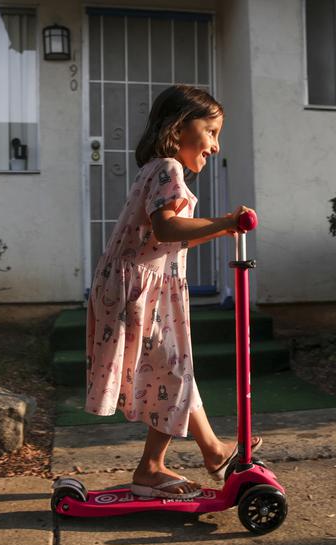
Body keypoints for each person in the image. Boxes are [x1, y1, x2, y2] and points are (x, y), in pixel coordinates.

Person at [85, 84, 261, 499]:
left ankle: (190, 456)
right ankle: (187, 459)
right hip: (138, 290)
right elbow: (166, 227)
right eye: (212, 132)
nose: (215, 146)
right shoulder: (168, 168)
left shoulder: (157, 169)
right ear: (180, 127)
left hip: (139, 285)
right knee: (173, 369)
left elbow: (169, 238)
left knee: (172, 370)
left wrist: (222, 227)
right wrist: (224, 221)